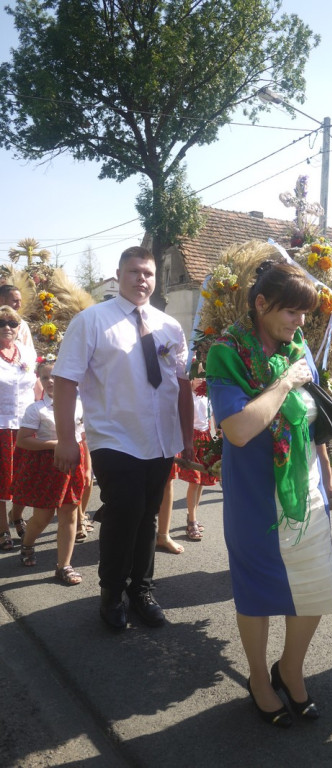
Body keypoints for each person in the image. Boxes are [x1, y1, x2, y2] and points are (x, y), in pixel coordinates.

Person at [206, 260, 332, 728]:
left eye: (305, 314)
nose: (300, 323)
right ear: (261, 304)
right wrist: (284, 380)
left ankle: (289, 669)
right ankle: (258, 680)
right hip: (255, 497)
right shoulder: (225, 354)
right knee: (259, 592)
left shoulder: (299, 345)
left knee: (317, 588)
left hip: (305, 489)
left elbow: (313, 416)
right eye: (292, 313)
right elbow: (241, 430)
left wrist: (325, 472)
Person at [53, 246, 194, 629]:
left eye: (148, 273)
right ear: (119, 276)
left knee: (146, 517)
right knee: (125, 512)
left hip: (161, 439)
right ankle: (112, 594)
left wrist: (188, 438)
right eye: (134, 272)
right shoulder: (92, 321)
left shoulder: (169, 325)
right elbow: (65, 382)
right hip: (115, 438)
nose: (142, 279)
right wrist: (66, 438)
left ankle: (141, 590)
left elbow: (182, 386)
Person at [15, 360, 85, 584]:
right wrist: (54, 444)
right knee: (43, 517)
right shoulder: (36, 409)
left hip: (74, 464)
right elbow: (23, 441)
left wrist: (87, 467)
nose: (51, 381)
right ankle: (27, 543)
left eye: (55, 375)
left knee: (70, 514)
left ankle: (64, 566)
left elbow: (83, 438)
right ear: (40, 381)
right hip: (48, 466)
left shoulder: (79, 404)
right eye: (45, 377)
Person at [0, 305, 37, 551]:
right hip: (1, 425)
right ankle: (3, 528)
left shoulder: (25, 352)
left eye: (12, 324)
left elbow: (38, 385)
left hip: (25, 425)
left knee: (25, 477)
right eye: (1, 324)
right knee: (2, 480)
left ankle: (17, 515)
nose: (7, 328)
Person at [182, 372, 217, 542]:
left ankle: (192, 514)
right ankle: (192, 521)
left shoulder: (208, 396)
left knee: (202, 480)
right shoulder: (189, 395)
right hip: (192, 438)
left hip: (205, 439)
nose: (201, 380)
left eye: (204, 377)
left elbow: (213, 416)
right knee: (194, 481)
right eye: (198, 377)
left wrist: (219, 431)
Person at [0, 285, 35, 349]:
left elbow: (29, 350)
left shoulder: (22, 324)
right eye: (15, 301)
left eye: (20, 301)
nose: (19, 305)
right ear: (2, 300)